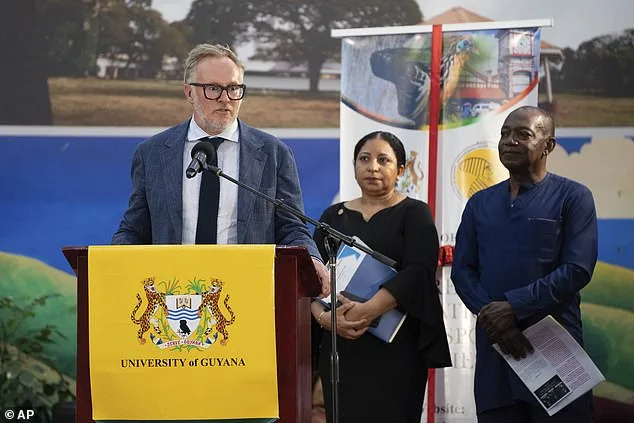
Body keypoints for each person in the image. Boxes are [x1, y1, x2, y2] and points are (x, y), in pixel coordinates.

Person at [112, 43, 328, 294]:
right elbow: (134, 228)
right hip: (173, 295)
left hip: (247, 292)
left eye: (234, 88)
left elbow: (292, 227)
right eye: (214, 88)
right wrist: (112, 264)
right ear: (189, 92)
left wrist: (311, 258)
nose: (226, 99)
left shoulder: (273, 153)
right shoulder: (153, 153)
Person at [451, 106, 598, 422]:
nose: (509, 141)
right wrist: (496, 319)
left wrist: (514, 308)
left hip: (554, 346)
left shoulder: (574, 197)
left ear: (548, 145)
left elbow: (577, 269)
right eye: (505, 134)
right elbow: (463, 271)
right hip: (497, 348)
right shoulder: (480, 203)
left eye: (523, 134)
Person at [310, 131, 452, 423]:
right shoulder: (331, 217)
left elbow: (417, 272)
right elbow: (311, 282)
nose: (372, 166)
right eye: (364, 159)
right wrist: (326, 320)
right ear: (354, 165)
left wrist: (367, 311)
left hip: (397, 351)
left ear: (400, 170)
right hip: (341, 346)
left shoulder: (415, 213)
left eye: (383, 160)